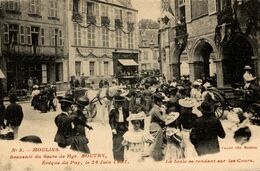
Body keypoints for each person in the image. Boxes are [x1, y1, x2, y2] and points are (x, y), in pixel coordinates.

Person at [109, 95, 129, 161]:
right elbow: (111, 121)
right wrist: (113, 128)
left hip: (124, 128)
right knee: (116, 144)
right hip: (116, 129)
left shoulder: (125, 111)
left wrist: (127, 127)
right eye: (116, 103)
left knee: (122, 144)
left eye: (119, 103)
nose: (117, 105)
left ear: (122, 104)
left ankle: (121, 159)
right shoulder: (113, 111)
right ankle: (116, 159)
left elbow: (127, 119)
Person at [149, 93, 166, 161]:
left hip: (155, 126)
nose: (162, 103)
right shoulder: (155, 109)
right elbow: (163, 119)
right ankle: (154, 158)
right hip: (155, 127)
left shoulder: (156, 108)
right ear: (158, 102)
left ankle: (155, 157)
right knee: (156, 144)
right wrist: (164, 112)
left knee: (156, 144)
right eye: (161, 101)